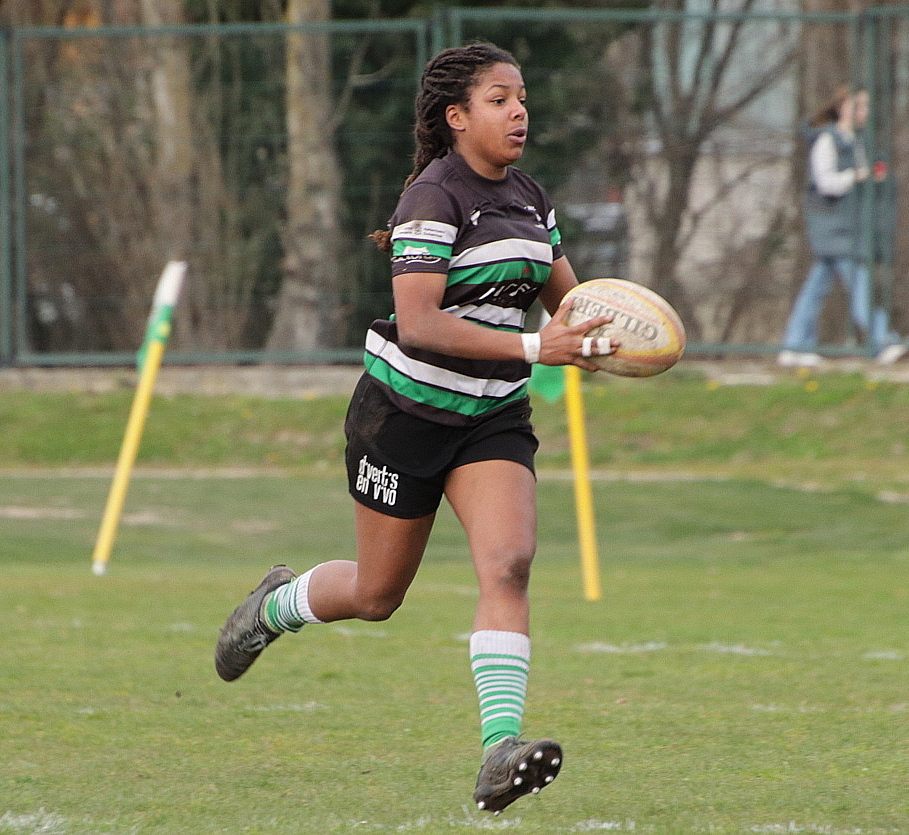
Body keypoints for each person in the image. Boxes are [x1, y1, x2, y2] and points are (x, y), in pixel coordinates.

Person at [213, 43, 617, 815]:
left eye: (522, 98)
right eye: (500, 99)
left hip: (491, 417)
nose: (519, 112)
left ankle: (499, 750)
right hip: (402, 417)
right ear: (456, 116)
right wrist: (539, 348)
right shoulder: (434, 198)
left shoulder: (530, 198)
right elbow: (421, 322)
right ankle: (274, 604)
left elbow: (571, 304)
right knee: (376, 594)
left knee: (509, 563)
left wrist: (617, 335)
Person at [778, 87, 905, 368]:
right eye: (859, 106)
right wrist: (855, 177)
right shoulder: (827, 140)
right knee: (859, 283)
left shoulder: (860, 141)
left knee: (816, 287)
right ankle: (882, 339)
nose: (865, 112)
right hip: (833, 225)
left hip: (851, 226)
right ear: (843, 107)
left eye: (867, 106)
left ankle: (794, 346)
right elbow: (825, 183)